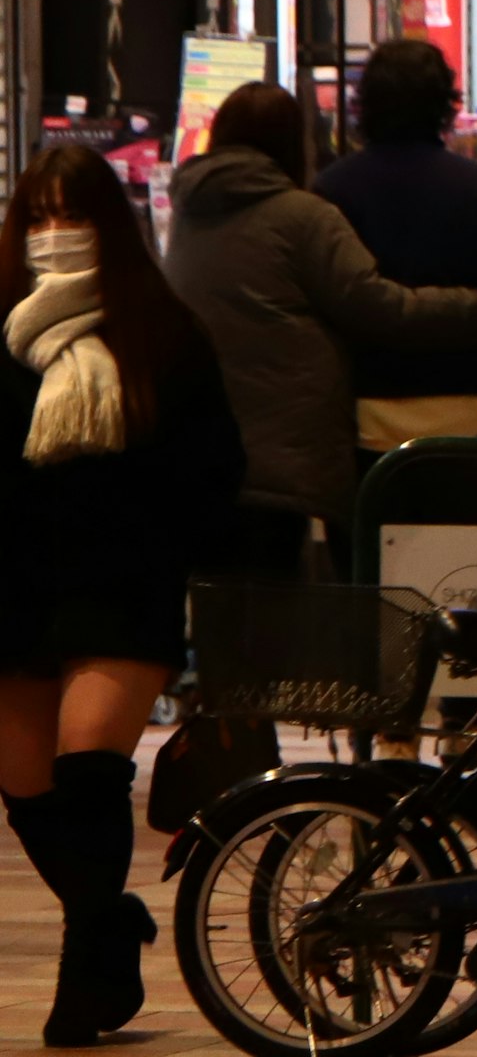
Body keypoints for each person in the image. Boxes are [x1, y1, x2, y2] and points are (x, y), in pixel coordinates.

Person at [1, 143, 243, 1045]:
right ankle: (111, 919)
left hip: (121, 586)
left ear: (112, 223)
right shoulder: (1, 333)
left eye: (74, 215)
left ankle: (85, 969)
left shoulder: (162, 333)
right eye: (39, 215)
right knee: (24, 786)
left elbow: (215, 468)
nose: (55, 234)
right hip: (18, 590)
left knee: (89, 765)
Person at [167, 81, 477, 581]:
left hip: (205, 452)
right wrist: (472, 306)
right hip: (283, 460)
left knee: (227, 619)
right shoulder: (302, 217)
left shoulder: (188, 215)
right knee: (284, 621)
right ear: (291, 143)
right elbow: (377, 306)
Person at [315, 41, 477, 529]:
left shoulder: (332, 189)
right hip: (465, 424)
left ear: (365, 105)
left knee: (371, 590)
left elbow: (321, 307)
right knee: (460, 583)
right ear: (444, 103)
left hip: (363, 424)